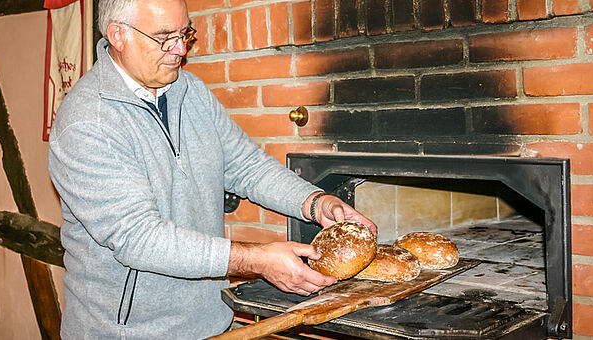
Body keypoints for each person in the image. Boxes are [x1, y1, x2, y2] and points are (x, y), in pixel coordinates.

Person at [47, 0, 377, 338]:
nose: (180, 49)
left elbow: (247, 166)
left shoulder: (190, 92)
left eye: (184, 33)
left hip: (209, 321)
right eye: (164, 37)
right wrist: (258, 260)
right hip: (127, 332)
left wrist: (315, 202)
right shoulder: (87, 123)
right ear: (118, 35)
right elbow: (139, 239)